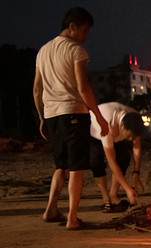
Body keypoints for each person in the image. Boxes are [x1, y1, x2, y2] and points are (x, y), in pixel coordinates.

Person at [33, 7, 109, 229]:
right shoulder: (76, 51)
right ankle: (72, 218)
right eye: (85, 31)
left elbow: (37, 89)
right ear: (72, 26)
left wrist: (41, 118)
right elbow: (83, 87)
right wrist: (99, 116)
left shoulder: (43, 51)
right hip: (74, 112)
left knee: (61, 165)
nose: (86, 36)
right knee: (76, 167)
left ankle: (51, 210)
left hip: (52, 115)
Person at [89, 102, 144, 212]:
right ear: (122, 126)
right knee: (97, 162)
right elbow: (111, 161)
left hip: (116, 132)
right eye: (129, 136)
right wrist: (128, 189)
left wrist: (136, 173)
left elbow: (136, 148)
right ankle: (106, 198)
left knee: (124, 158)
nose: (130, 139)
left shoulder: (135, 119)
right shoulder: (108, 125)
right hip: (94, 130)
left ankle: (113, 195)